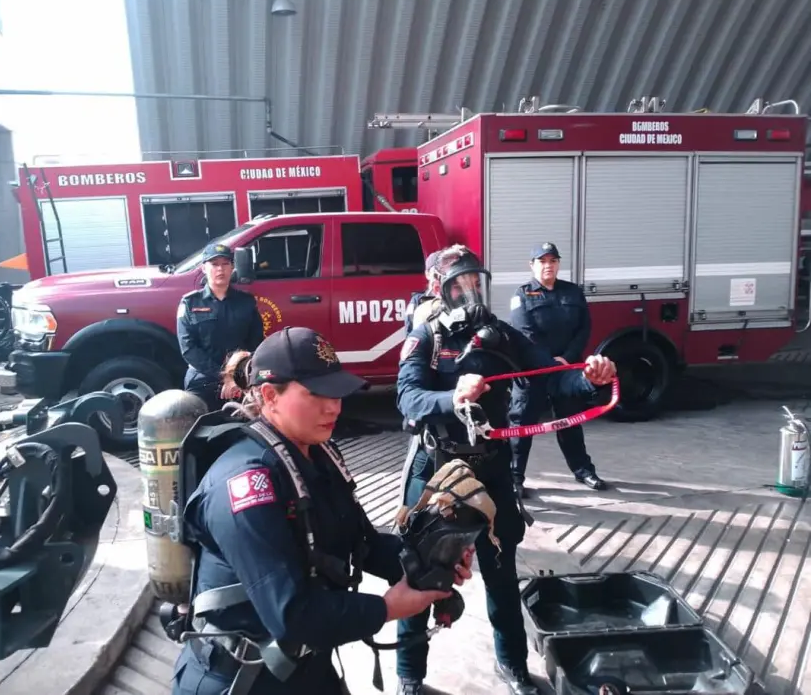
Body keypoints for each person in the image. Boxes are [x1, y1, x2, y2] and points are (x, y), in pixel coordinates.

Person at [171, 326, 474, 695]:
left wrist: (431, 559)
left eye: (337, 392)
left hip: (304, 665)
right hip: (241, 678)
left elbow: (361, 541)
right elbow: (293, 615)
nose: (333, 406)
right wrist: (386, 609)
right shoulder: (246, 483)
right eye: (317, 394)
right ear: (270, 396)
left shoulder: (316, 453)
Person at [395, 244, 617, 695]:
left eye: (477, 280)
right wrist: (451, 398)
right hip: (435, 467)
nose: (472, 289)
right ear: (440, 287)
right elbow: (406, 396)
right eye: (462, 282)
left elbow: (551, 374)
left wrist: (588, 380)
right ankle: (409, 677)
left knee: (501, 573)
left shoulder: (502, 335)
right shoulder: (426, 337)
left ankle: (513, 666)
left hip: (490, 466)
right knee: (418, 576)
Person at [508, 242, 606, 496]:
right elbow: (525, 335)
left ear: (558, 264)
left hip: (567, 370)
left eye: (553, 261)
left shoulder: (573, 292)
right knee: (522, 426)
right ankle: (514, 477)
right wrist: (552, 364)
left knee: (570, 423)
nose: (548, 266)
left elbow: (584, 328)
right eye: (542, 261)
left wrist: (568, 359)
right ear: (532, 266)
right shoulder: (522, 295)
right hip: (533, 373)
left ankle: (583, 470)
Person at [177, 242, 266, 411]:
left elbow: (256, 343)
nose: (220, 269)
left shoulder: (246, 302)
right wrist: (224, 376)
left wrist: (236, 377)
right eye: (214, 264)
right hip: (203, 379)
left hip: (241, 378)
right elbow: (188, 348)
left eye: (226, 264)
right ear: (204, 268)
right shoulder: (190, 303)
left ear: (233, 267)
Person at [404, 251, 442, 334]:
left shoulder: (454, 296)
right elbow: (410, 331)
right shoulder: (418, 300)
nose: (440, 275)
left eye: (443, 270)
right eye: (436, 271)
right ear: (427, 274)